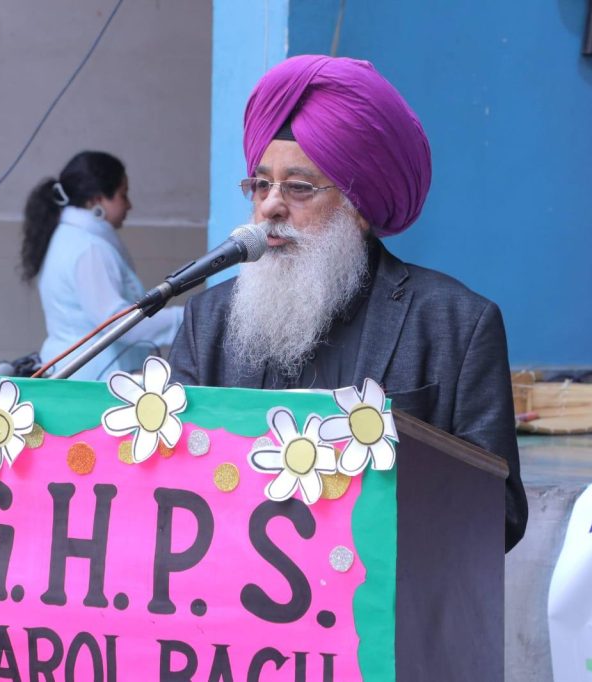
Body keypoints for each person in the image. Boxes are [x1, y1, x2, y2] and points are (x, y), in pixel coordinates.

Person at [168, 55, 527, 551]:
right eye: (261, 184)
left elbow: (499, 514)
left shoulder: (455, 324)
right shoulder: (207, 320)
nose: (270, 205)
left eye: (298, 188)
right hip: (230, 590)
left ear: (358, 207)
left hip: (385, 593)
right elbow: (165, 479)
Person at [21, 151, 184, 381]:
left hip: (72, 373)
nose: (129, 205)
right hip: (92, 379)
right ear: (97, 200)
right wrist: (187, 318)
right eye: (123, 195)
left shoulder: (66, 237)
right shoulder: (89, 248)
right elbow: (117, 322)